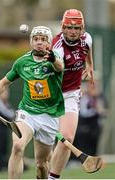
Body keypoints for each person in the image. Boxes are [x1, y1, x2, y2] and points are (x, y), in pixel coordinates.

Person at [0, 26, 65, 179]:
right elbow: (5, 82)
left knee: (41, 164)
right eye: (36, 39)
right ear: (31, 41)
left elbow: (60, 67)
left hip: (49, 116)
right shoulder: (22, 62)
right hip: (28, 112)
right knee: (18, 146)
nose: (39, 42)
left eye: (43, 39)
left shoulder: (55, 57)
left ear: (49, 43)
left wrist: (52, 59)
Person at [48, 9, 94, 179]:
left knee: (67, 138)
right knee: (44, 156)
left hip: (71, 94)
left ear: (82, 28)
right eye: (69, 27)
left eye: (77, 28)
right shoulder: (57, 47)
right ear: (63, 27)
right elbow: (57, 67)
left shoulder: (87, 38)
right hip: (52, 97)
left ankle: (52, 178)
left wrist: (89, 65)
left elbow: (88, 50)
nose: (73, 32)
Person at [0, 89, 15, 171]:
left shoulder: (6, 103)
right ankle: (0, 166)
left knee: (5, 146)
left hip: (6, 128)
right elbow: (7, 113)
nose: (6, 95)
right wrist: (13, 114)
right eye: (5, 93)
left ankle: (4, 164)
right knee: (1, 146)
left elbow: (11, 112)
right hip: (1, 128)